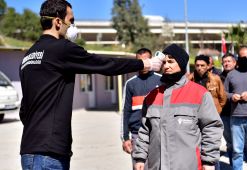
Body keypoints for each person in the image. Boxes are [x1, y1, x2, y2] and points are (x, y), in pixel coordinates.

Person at [19, 1, 163, 169]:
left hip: (28, 151)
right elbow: (104, 64)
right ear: (58, 22)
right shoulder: (61, 49)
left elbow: (24, 109)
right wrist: (145, 64)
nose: (72, 26)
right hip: (50, 153)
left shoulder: (28, 56)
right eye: (71, 21)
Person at [133, 44, 224, 170]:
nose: (166, 66)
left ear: (181, 64)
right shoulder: (152, 96)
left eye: (171, 61)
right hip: (156, 165)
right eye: (164, 62)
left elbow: (212, 128)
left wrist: (209, 162)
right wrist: (140, 158)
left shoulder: (200, 93)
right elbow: (144, 131)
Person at [120, 48, 161, 169]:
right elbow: (125, 112)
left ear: (152, 60)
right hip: (137, 135)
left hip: (158, 134)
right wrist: (125, 138)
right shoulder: (130, 84)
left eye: (146, 60)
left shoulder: (161, 80)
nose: (143, 64)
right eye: (140, 61)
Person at [219, 53, 237, 166]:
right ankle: (233, 166)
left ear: (235, 62)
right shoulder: (218, 78)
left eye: (229, 61)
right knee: (230, 143)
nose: (226, 63)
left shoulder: (241, 75)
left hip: (240, 114)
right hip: (225, 114)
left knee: (244, 144)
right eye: (224, 62)